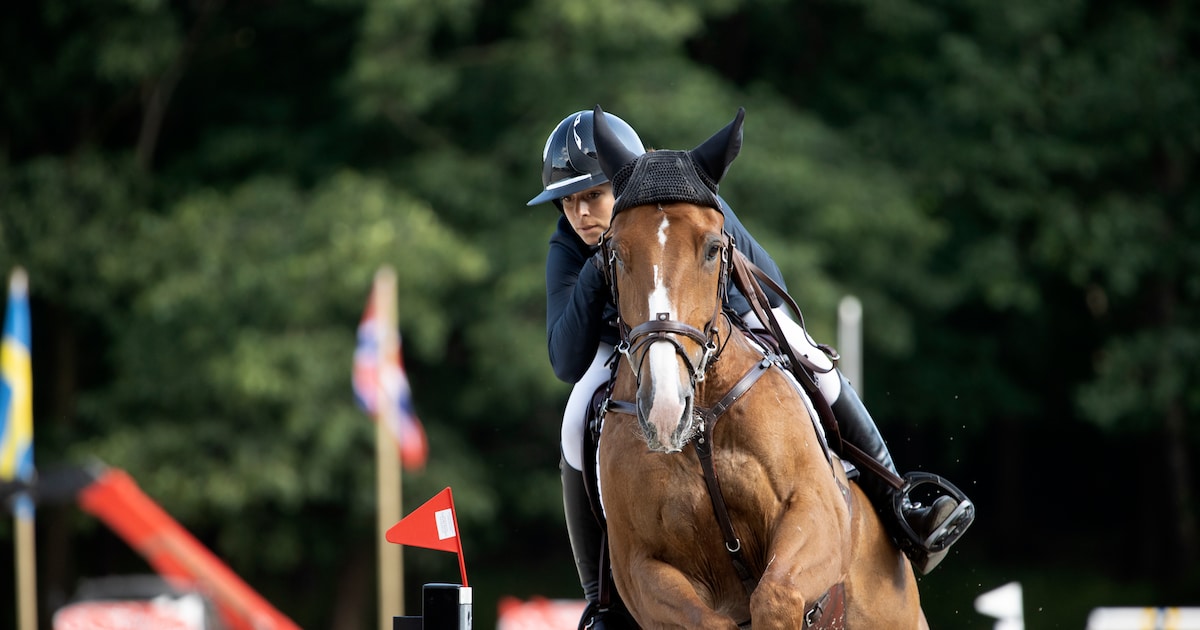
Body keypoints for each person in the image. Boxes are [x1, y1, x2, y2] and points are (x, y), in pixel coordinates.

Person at [529, 109, 973, 630]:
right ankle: (600, 600)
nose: (579, 213)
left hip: (726, 311)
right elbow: (565, 359)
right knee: (575, 413)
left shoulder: (691, 201)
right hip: (631, 345)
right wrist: (602, 259)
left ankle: (902, 504)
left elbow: (761, 279)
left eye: (592, 196)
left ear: (620, 182)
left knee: (812, 357)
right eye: (568, 200)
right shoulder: (569, 246)